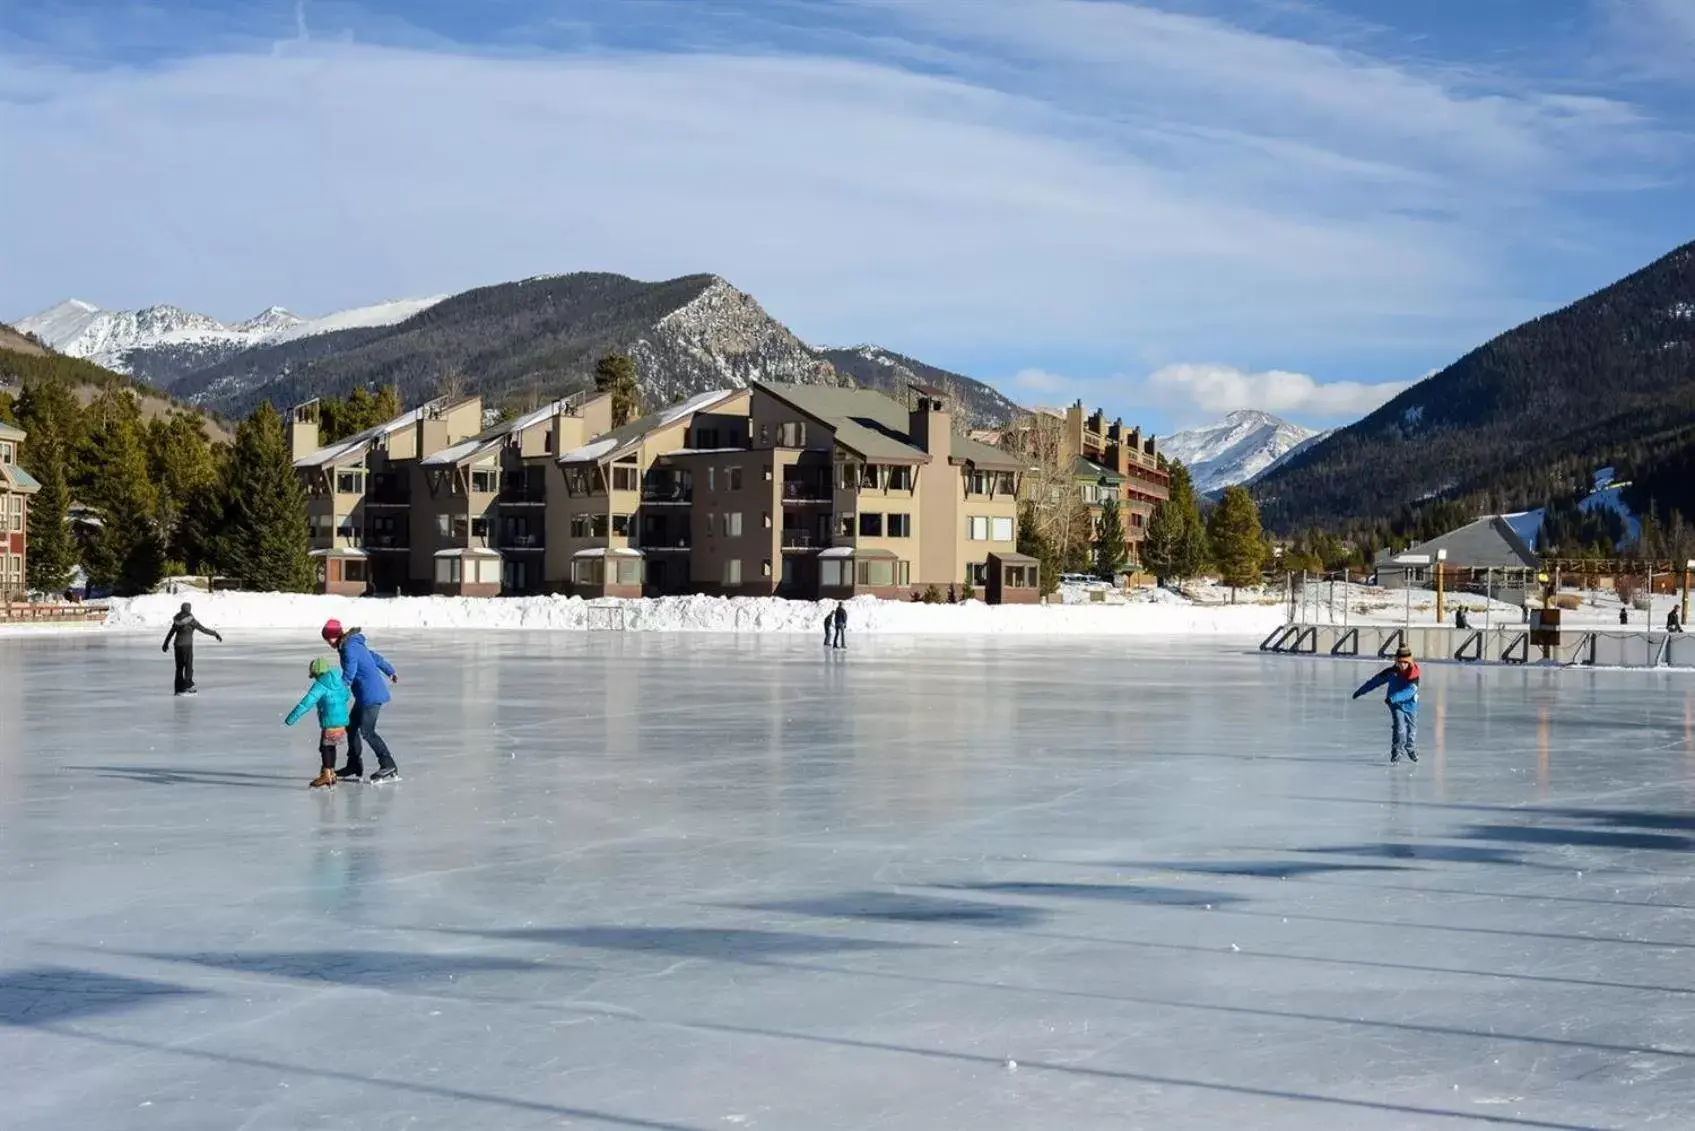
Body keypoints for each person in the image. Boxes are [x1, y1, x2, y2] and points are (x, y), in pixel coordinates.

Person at [321, 619, 401, 782]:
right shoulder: (353, 644)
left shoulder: (348, 648)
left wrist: (338, 691)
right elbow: (374, 658)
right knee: (351, 727)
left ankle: (388, 763)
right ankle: (354, 764)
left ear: (335, 636)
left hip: (370, 694)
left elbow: (350, 672)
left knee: (367, 730)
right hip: (366, 694)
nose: (328, 642)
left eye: (328, 638)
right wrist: (390, 671)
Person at [284, 657, 354, 788]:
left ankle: (327, 775)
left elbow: (306, 703)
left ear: (318, 674)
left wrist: (291, 718)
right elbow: (346, 695)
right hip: (342, 720)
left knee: (327, 748)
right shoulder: (340, 681)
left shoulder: (320, 685)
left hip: (330, 721)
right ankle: (330, 773)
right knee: (329, 746)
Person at [1352, 644, 1420, 764]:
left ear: (1409, 662)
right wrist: (1360, 691)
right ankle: (1397, 750)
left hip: (1410, 705)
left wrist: (1393, 698)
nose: (1402, 665)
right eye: (1399, 662)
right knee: (1400, 728)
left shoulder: (1414, 674)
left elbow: (1410, 691)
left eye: (1405, 662)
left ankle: (1410, 747)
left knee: (1411, 729)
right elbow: (1374, 682)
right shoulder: (1391, 672)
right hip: (1395, 705)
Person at [160, 601, 223, 695]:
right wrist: (215, 634)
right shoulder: (191, 620)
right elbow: (203, 629)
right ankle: (188, 686)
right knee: (188, 666)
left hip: (177, 646)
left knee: (179, 667)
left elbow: (171, 632)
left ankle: (178, 688)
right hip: (187, 646)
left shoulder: (177, 619)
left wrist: (165, 644)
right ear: (189, 609)